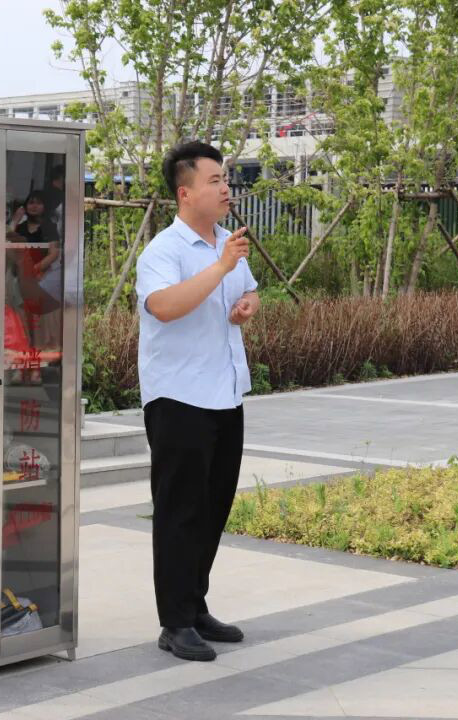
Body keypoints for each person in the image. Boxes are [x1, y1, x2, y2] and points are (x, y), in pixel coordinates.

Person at [135, 141, 261, 662]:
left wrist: (247, 303)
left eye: (225, 179)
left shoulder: (225, 245)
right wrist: (221, 268)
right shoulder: (163, 251)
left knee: (212, 508)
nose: (225, 188)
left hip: (225, 393)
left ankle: (195, 605)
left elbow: (249, 292)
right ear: (185, 193)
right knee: (179, 511)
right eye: (215, 180)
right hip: (178, 397)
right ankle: (175, 622)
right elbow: (164, 306)